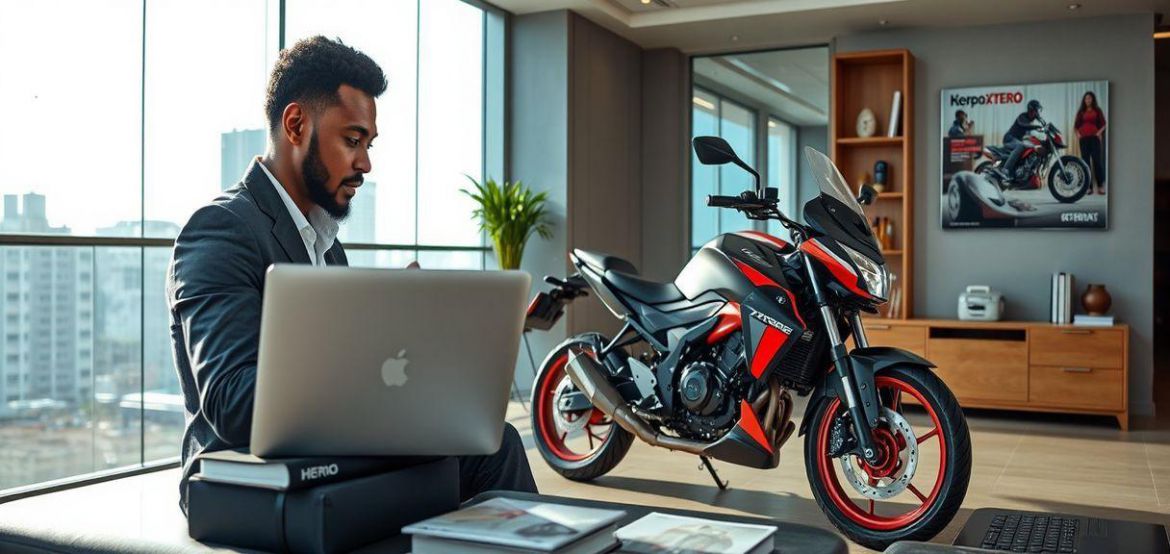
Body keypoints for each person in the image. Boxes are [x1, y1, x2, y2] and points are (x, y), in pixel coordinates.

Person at [166, 36, 537, 514]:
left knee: (495, 443)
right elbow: (232, 405)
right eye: (352, 140)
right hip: (245, 477)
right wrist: (371, 337)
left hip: (330, 448)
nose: (365, 163)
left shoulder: (325, 244)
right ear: (296, 124)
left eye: (368, 144)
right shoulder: (221, 229)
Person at [999, 99, 1044, 181]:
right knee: (1021, 145)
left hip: (1017, 140)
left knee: (1031, 146)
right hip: (1009, 138)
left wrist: (1045, 126)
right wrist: (1036, 127)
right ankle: (1005, 170)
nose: (1037, 113)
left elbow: (1039, 124)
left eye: (1038, 111)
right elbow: (1024, 125)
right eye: (1036, 111)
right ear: (1031, 110)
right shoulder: (1022, 117)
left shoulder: (1031, 120)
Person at [1074, 91, 1107, 195]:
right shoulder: (1081, 111)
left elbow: (1104, 124)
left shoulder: (1097, 110)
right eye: (1086, 98)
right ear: (1084, 100)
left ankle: (1101, 186)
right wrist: (1078, 135)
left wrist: (1098, 133)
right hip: (1084, 139)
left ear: (1092, 99)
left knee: (1097, 161)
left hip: (1094, 138)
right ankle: (1088, 187)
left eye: (1089, 98)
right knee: (1086, 163)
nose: (1088, 100)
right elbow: (1076, 126)